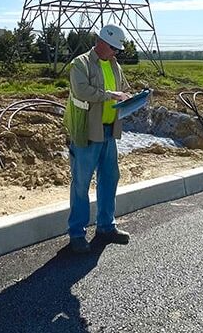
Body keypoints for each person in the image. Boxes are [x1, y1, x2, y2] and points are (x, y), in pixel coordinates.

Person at [63, 24, 131, 254]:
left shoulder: (115, 65)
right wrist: (110, 96)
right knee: (81, 183)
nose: (115, 52)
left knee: (109, 179)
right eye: (113, 48)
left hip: (109, 131)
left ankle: (106, 226)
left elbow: (123, 88)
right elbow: (82, 91)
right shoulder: (80, 64)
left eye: (117, 49)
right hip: (87, 131)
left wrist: (130, 97)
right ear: (100, 42)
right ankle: (77, 233)